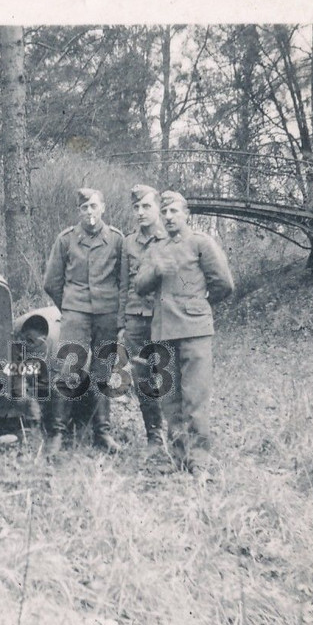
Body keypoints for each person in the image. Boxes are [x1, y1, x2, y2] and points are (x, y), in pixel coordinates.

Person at [134, 190, 235, 480]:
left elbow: (224, 284)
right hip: (164, 331)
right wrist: (155, 270)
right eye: (164, 212)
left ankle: (199, 461)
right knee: (170, 398)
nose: (168, 217)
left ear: (186, 214)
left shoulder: (201, 243)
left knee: (195, 396)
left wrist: (198, 305)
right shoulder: (155, 248)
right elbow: (139, 286)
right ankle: (179, 457)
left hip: (194, 331)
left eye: (174, 211)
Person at [42, 187, 124, 453]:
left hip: (107, 314)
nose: (89, 212)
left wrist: (118, 314)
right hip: (75, 312)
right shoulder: (66, 239)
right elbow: (51, 282)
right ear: (79, 211)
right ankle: (57, 432)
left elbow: (124, 281)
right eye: (84, 207)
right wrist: (70, 307)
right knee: (68, 367)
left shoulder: (117, 240)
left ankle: (102, 433)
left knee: (103, 371)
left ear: (103, 208)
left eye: (93, 206)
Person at [118, 184, 172, 450]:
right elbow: (123, 285)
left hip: (166, 317)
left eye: (146, 206)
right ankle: (154, 435)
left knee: (169, 374)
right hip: (136, 319)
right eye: (136, 207)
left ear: (158, 208)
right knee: (143, 378)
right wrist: (121, 323)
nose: (140, 212)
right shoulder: (128, 242)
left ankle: (177, 433)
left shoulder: (171, 238)